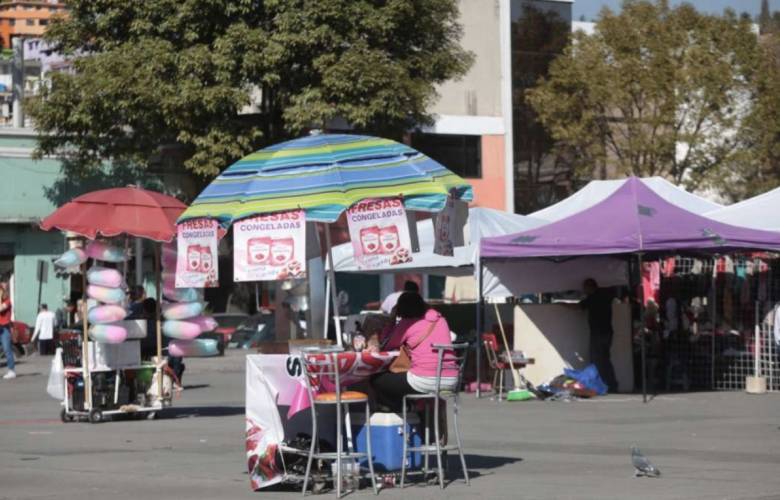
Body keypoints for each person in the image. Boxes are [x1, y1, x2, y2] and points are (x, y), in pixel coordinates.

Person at [370, 292, 458, 412]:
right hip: (451, 379)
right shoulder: (441, 320)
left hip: (425, 379)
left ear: (401, 309)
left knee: (376, 380)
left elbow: (385, 345)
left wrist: (391, 321)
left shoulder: (407, 324)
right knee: (399, 383)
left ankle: (408, 409)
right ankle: (419, 410)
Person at [580, 278, 618, 393]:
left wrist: (561, 305)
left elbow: (579, 307)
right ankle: (611, 384)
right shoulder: (605, 296)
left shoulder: (592, 298)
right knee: (605, 359)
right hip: (607, 332)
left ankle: (598, 385)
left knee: (596, 360)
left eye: (585, 287)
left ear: (590, 287)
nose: (583, 290)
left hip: (598, 333)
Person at [0, 282, 15, 379]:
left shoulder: (7, 301)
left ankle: (11, 371)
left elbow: (1, 309)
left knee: (7, 349)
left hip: (4, 328)